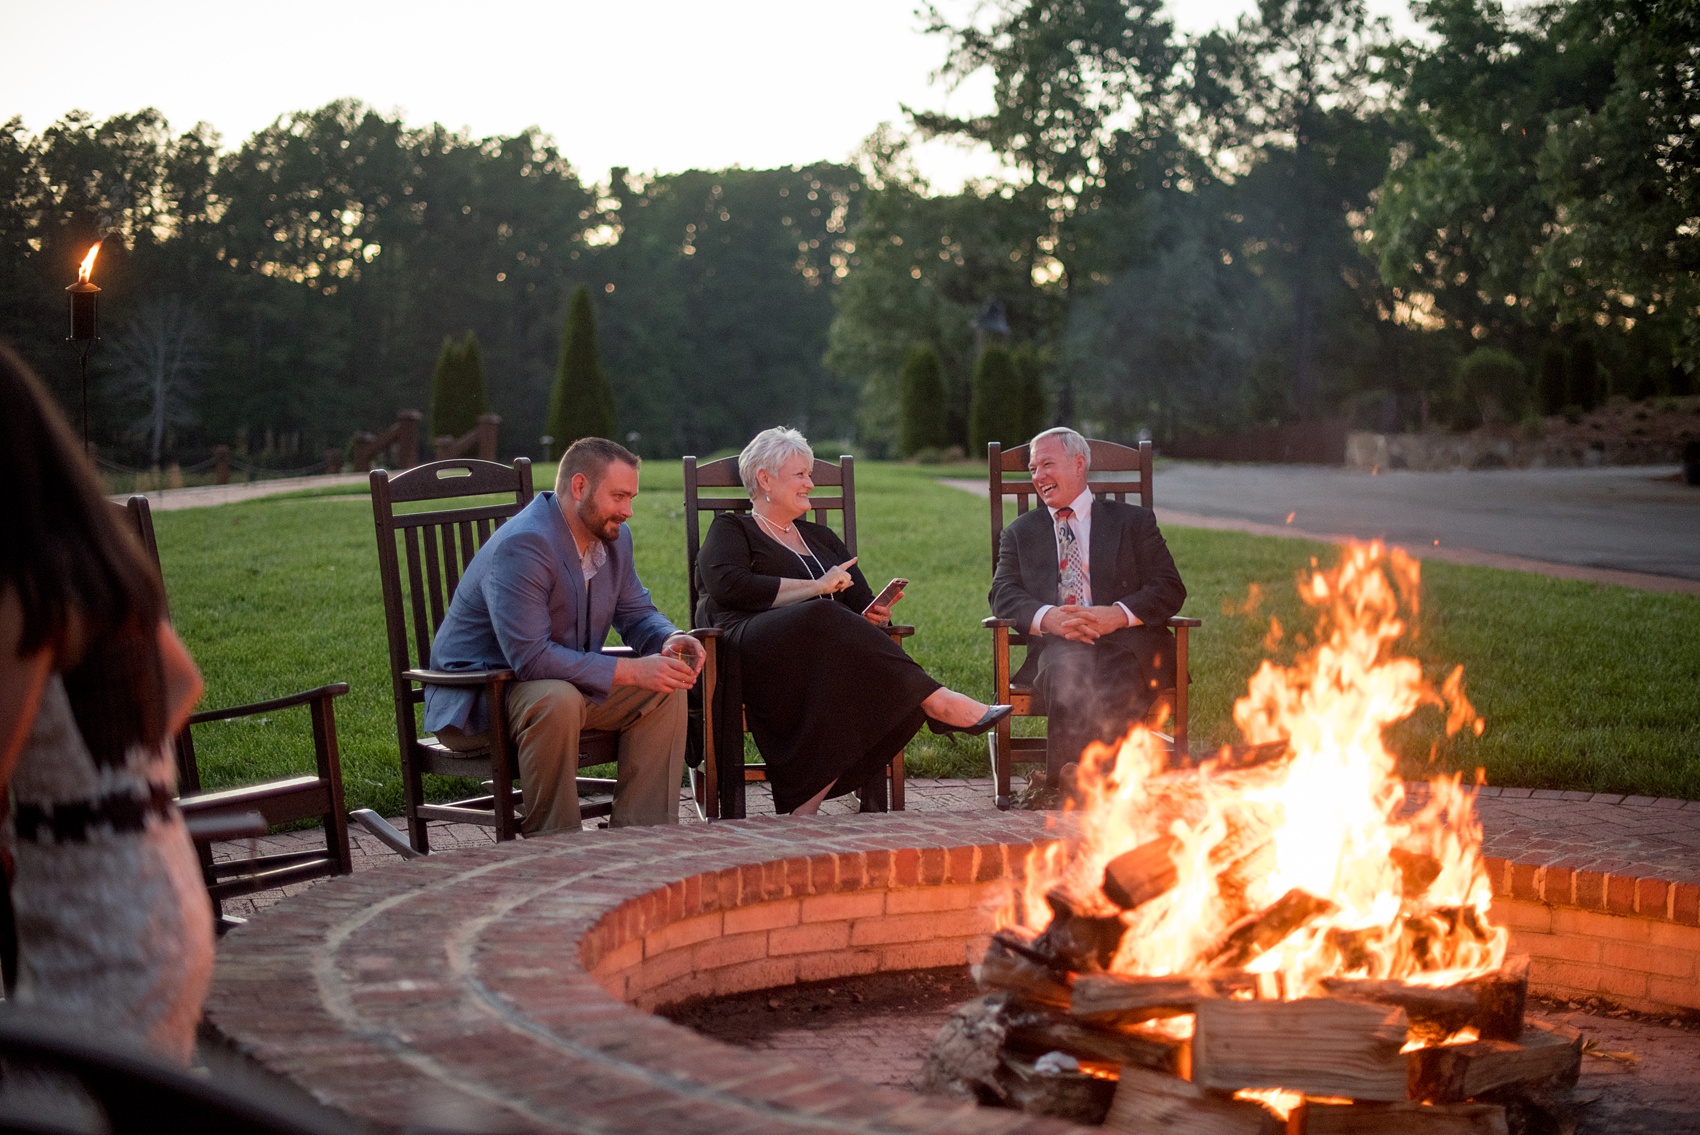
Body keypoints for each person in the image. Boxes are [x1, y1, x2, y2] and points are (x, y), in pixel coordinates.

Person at [0, 341, 214, 1065]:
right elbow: (183, 682)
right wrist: (118, 783)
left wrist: (72, 798)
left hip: (102, 924)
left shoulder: (25, 591)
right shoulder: (95, 557)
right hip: (157, 888)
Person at [696, 427, 1011, 816]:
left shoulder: (820, 538)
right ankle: (941, 703)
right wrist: (817, 587)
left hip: (823, 656)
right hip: (749, 648)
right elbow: (729, 587)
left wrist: (873, 615)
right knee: (825, 613)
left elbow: (859, 602)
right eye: (800, 475)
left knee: (865, 667)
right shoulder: (732, 529)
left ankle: (801, 810)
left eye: (810, 474)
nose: (810, 483)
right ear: (765, 479)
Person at [425, 437, 704, 834]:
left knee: (665, 686)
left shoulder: (614, 538)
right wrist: (630, 671)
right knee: (556, 697)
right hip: (482, 699)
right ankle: (556, 846)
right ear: (579, 487)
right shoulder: (526, 543)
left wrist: (669, 639)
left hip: (563, 687)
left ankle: (643, 838)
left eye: (632, 498)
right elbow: (532, 659)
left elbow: (637, 612)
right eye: (619, 496)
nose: (628, 511)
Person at [989, 427, 1187, 783]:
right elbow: (1002, 592)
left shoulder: (1133, 523)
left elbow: (1169, 587)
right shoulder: (1021, 533)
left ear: (1079, 465)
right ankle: (1088, 780)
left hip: (1128, 640)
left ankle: (1077, 780)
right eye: (1033, 469)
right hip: (1060, 642)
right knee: (1067, 678)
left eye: (1047, 464)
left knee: (1121, 677)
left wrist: (1118, 614)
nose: (1038, 476)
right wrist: (1048, 618)